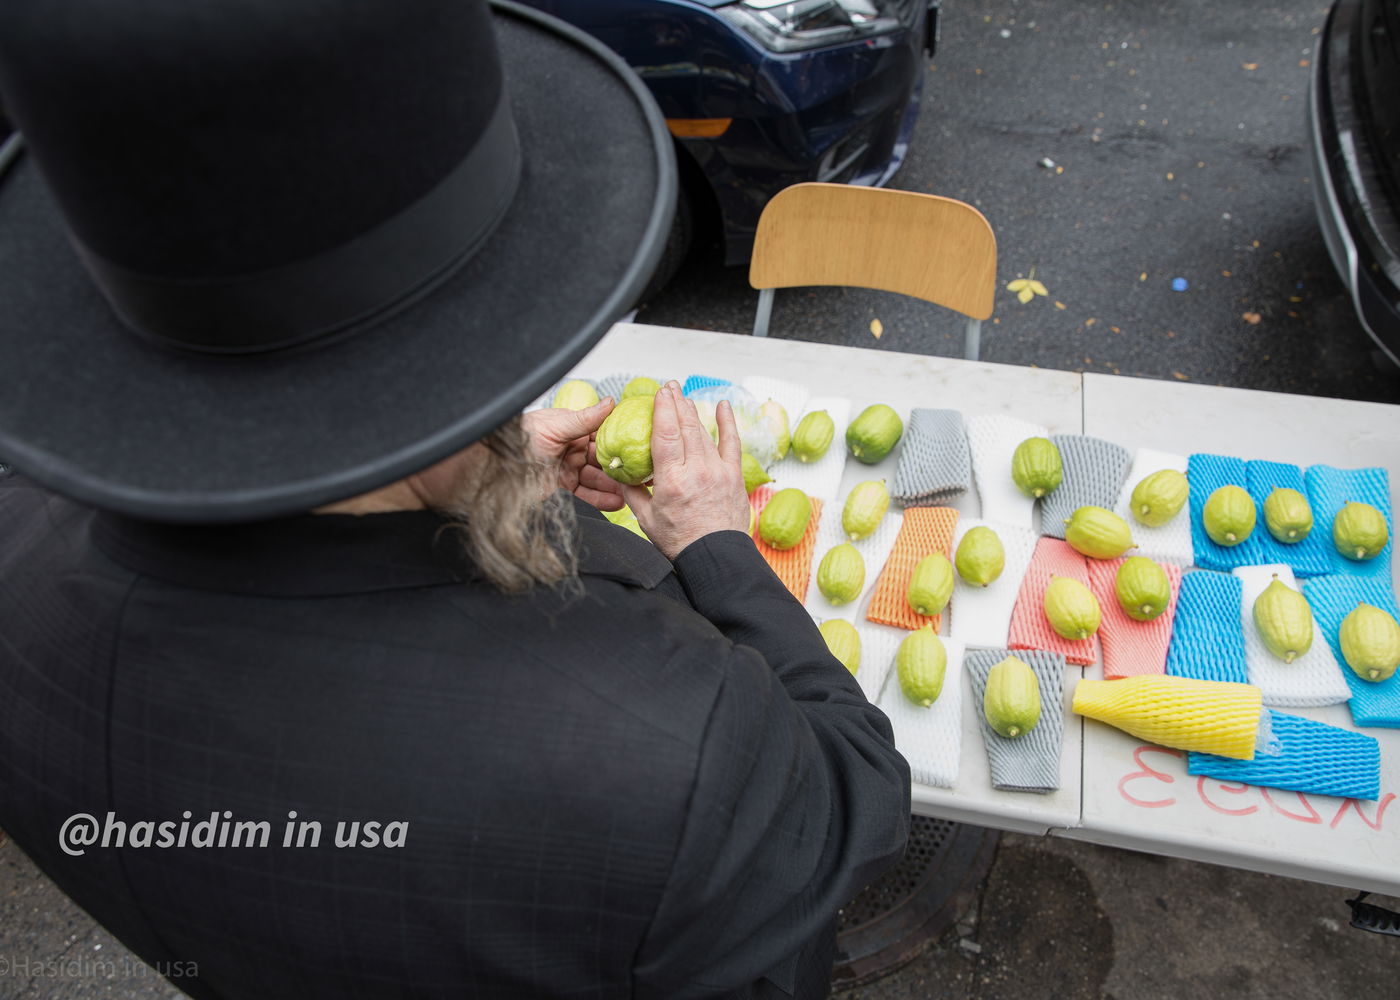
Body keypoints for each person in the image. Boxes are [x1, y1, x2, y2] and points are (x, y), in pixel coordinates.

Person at [0, 2, 911, 998]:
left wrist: (500, 479)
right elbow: (851, 793)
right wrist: (713, 541)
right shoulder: (663, 748)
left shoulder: (17, 579)